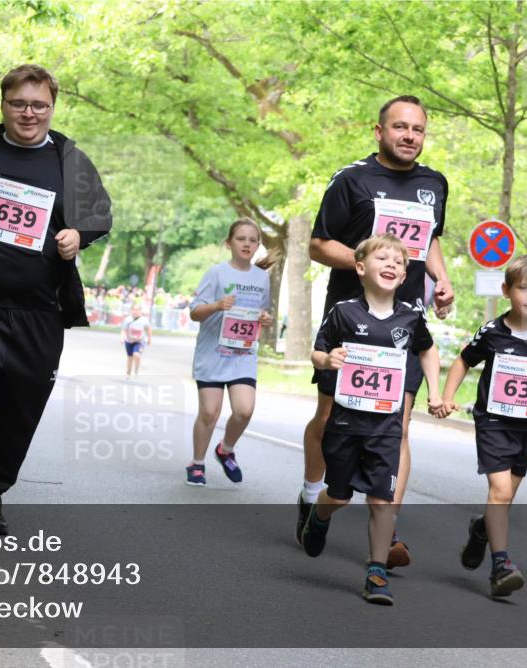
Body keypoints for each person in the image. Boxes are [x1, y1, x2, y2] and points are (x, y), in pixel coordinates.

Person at [0, 63, 111, 534]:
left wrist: (77, 235)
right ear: (3, 104)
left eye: (39, 105)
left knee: (21, 405)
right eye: (19, 104)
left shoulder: (71, 162)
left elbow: (99, 216)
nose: (29, 113)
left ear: (52, 107)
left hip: (40, 309)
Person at [300, 95, 455, 570]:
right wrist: (373, 263)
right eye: (400, 127)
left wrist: (441, 278)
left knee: (397, 424)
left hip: (405, 323)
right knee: (330, 416)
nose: (410, 136)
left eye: (418, 129)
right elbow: (318, 245)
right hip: (353, 318)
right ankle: (311, 493)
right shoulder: (352, 179)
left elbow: (429, 241)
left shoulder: (434, 183)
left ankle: (387, 528)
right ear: (380, 131)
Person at [300, 233, 442, 605]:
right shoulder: (344, 312)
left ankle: (376, 572)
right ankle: (319, 515)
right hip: (346, 423)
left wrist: (435, 392)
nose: (391, 264)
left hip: (387, 426)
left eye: (398, 261)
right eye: (382, 258)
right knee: (340, 495)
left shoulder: (411, 317)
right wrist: (328, 359)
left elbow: (428, 351)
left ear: (404, 275)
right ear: (360, 268)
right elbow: (317, 352)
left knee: (382, 501)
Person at [435, 254, 527, 597]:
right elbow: (463, 361)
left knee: (506, 496)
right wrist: (447, 396)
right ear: (506, 290)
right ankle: (501, 565)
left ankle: (481, 530)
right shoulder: (493, 332)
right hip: (493, 422)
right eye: (524, 288)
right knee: (499, 492)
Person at [185, 218, 273, 486]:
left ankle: (225, 449)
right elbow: (194, 312)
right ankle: (197, 464)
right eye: (241, 239)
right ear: (229, 243)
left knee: (244, 410)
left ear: (257, 245)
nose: (247, 244)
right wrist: (217, 305)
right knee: (209, 413)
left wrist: (265, 319)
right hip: (213, 353)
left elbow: (262, 312)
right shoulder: (216, 273)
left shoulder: (262, 278)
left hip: (242, 355)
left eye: (253, 240)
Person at [121, 302, 152, 377]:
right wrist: (122, 338)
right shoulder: (128, 320)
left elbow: (148, 329)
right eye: (134, 310)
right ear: (131, 311)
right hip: (129, 341)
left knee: (136, 354)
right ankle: (128, 372)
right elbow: (124, 330)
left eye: (137, 310)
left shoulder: (144, 320)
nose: (135, 311)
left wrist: (149, 339)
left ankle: (136, 369)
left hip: (140, 341)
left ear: (141, 311)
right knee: (130, 357)